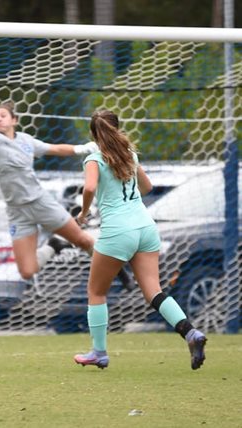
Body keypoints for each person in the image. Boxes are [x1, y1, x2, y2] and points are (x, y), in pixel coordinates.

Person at [74, 109, 207, 370]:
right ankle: (191, 333)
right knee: (154, 291)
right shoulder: (130, 156)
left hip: (118, 231)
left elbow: (89, 188)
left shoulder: (94, 158)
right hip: (146, 227)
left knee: (96, 291)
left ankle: (99, 352)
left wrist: (84, 212)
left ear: (94, 134)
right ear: (118, 128)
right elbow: (147, 188)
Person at [0, 91, 99, 281]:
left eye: (3, 115)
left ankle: (116, 270)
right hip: (18, 212)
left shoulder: (26, 141)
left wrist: (82, 149)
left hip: (40, 202)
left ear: (14, 120)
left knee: (83, 240)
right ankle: (53, 246)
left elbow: (54, 149)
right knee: (27, 271)